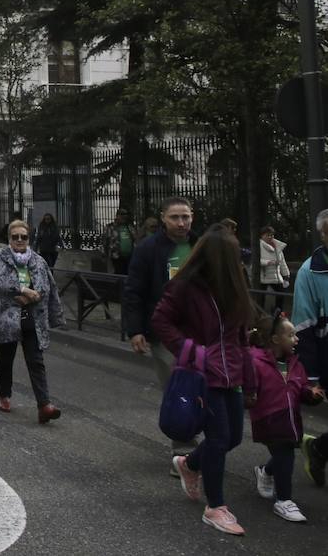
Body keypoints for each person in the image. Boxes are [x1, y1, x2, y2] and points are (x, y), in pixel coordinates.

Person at [153, 224, 258, 536]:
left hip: (232, 372)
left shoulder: (235, 286)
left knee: (235, 437)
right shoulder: (185, 285)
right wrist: (190, 351)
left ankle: (190, 464)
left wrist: (249, 378)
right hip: (203, 375)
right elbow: (161, 320)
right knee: (218, 438)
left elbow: (241, 336)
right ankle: (216, 507)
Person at [122, 196, 198, 470]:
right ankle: (184, 452)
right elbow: (134, 291)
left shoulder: (201, 245)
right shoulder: (148, 249)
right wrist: (136, 330)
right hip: (165, 332)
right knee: (178, 388)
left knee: (207, 387)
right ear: (163, 218)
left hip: (201, 329)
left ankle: (205, 443)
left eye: (185, 217)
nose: (181, 222)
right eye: (175, 217)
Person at [0, 220, 64, 422]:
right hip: (7, 318)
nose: (19, 240)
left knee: (36, 361)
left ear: (29, 239)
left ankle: (44, 405)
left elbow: (47, 286)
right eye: (15, 237)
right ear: (9, 238)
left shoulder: (38, 260)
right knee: (6, 360)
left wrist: (35, 296)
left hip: (32, 319)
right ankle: (5, 395)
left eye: (23, 237)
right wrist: (23, 290)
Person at [248, 313, 324, 523]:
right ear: (275, 339)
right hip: (268, 419)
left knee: (285, 453)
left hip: (290, 419)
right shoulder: (256, 362)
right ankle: (284, 500)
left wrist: (311, 394)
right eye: (291, 335)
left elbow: (301, 388)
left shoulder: (295, 364)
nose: (296, 339)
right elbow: (247, 388)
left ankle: (265, 471)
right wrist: (248, 396)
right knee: (286, 454)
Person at [292, 208, 328, 487]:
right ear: (323, 234)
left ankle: (319, 448)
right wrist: (312, 377)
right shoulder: (309, 272)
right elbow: (303, 326)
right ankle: (318, 449)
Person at [257, 226, 290, 312]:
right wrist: (267, 262)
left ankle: (278, 312)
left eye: (272, 235)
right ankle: (260, 315)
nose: (270, 237)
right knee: (261, 297)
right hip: (263, 276)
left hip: (276, 276)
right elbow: (255, 261)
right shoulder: (258, 246)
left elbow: (282, 262)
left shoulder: (277, 247)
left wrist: (286, 275)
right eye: (268, 235)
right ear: (262, 236)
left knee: (281, 294)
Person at [105, 208, 138, 276]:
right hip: (116, 256)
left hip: (130, 256)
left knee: (128, 274)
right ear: (117, 215)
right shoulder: (111, 227)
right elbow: (105, 241)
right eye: (122, 214)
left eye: (126, 214)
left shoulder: (129, 227)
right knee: (119, 274)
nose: (124, 216)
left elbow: (135, 239)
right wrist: (104, 254)